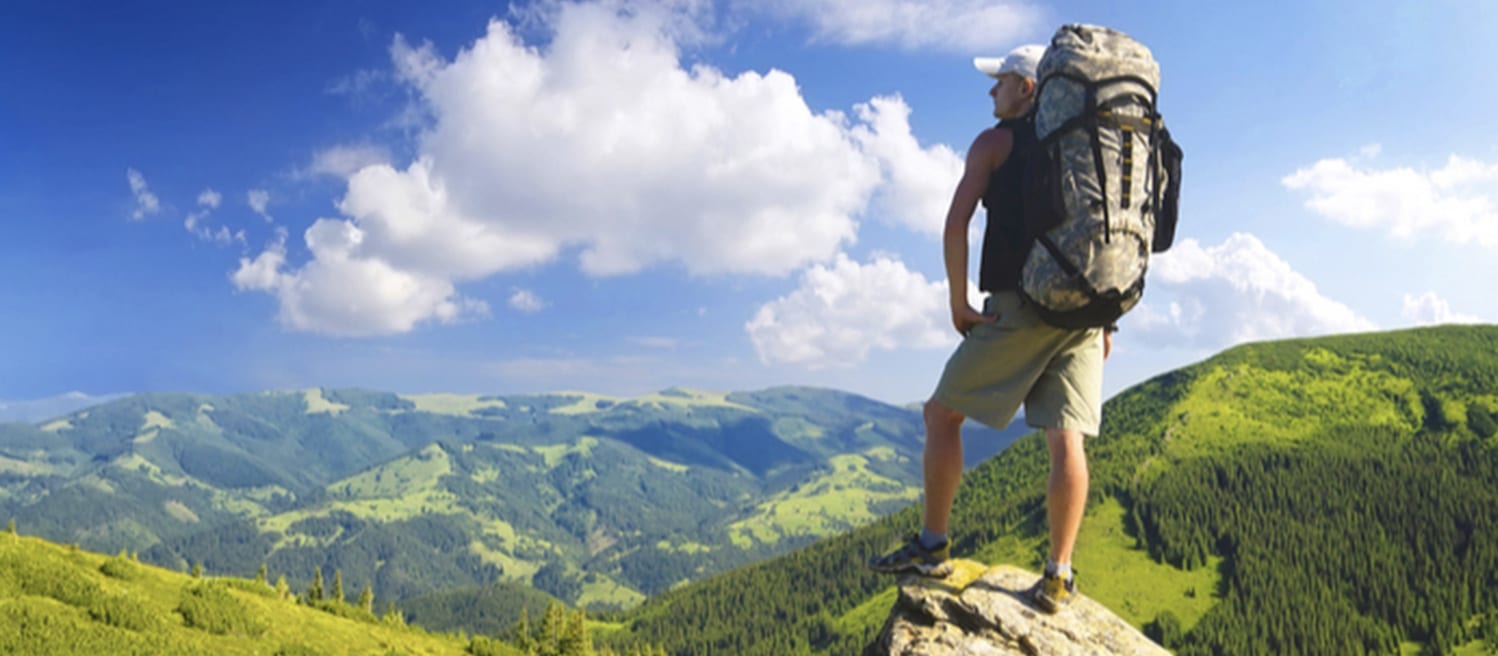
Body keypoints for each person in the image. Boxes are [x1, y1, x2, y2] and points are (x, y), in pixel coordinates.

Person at [866, 44, 1113, 614]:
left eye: (1000, 80)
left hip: (1020, 305)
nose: (990, 91)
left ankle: (932, 546)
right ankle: (1058, 575)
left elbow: (956, 223)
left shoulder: (995, 142)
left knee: (940, 413)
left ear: (1027, 88)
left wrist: (958, 301)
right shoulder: (1084, 145)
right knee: (1065, 437)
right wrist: (1108, 318)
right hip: (1085, 312)